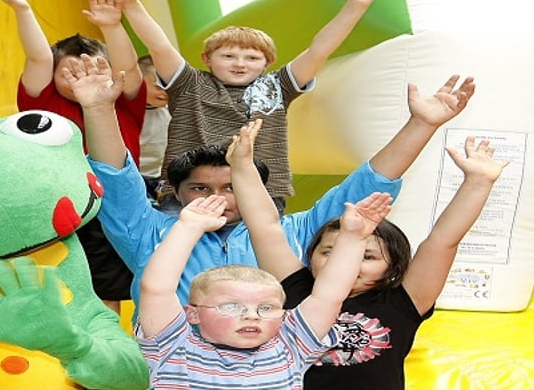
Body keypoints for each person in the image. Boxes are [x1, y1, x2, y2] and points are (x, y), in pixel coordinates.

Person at [67, 52, 475, 307]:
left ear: (256, 190)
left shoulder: (298, 234)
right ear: (176, 193)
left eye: (232, 187)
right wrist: (99, 108)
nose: (220, 199)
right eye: (200, 188)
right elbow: (117, 180)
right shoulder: (149, 232)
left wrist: (421, 124)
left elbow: (366, 187)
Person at [229, 125, 507, 390]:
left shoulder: (402, 302)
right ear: (311, 257)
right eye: (329, 251)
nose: (347, 260)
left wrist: (478, 182)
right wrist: (241, 166)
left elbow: (442, 242)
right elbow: (264, 226)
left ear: (392, 267)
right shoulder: (298, 290)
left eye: (368, 256)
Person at [131, 189, 389, 390]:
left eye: (265, 308)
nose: (251, 315)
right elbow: (156, 288)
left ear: (282, 314)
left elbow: (329, 295)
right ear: (193, 314)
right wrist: (188, 228)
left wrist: (353, 239)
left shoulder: (291, 345)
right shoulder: (173, 345)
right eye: (231, 306)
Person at [94, 0, 382, 212]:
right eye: (228, 56)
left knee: (253, 265)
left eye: (252, 58)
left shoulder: (276, 86)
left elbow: (319, 50)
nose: (240, 64)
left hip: (260, 192)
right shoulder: (189, 83)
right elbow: (159, 46)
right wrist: (132, 6)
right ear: (207, 59)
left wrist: (355, 6)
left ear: (268, 63)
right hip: (189, 192)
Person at [0, 0, 144, 313]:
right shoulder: (44, 101)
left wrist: (113, 27)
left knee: (106, 286)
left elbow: (128, 67)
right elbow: (38, 58)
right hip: (60, 200)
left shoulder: (123, 100)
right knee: (58, 283)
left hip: (112, 203)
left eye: (93, 68)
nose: (82, 77)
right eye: (69, 73)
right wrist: (22, 9)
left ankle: (107, 344)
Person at [136, 54, 171, 207]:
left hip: (159, 176)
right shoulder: (130, 113)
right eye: (158, 87)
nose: (165, 92)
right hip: (136, 176)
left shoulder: (171, 111)